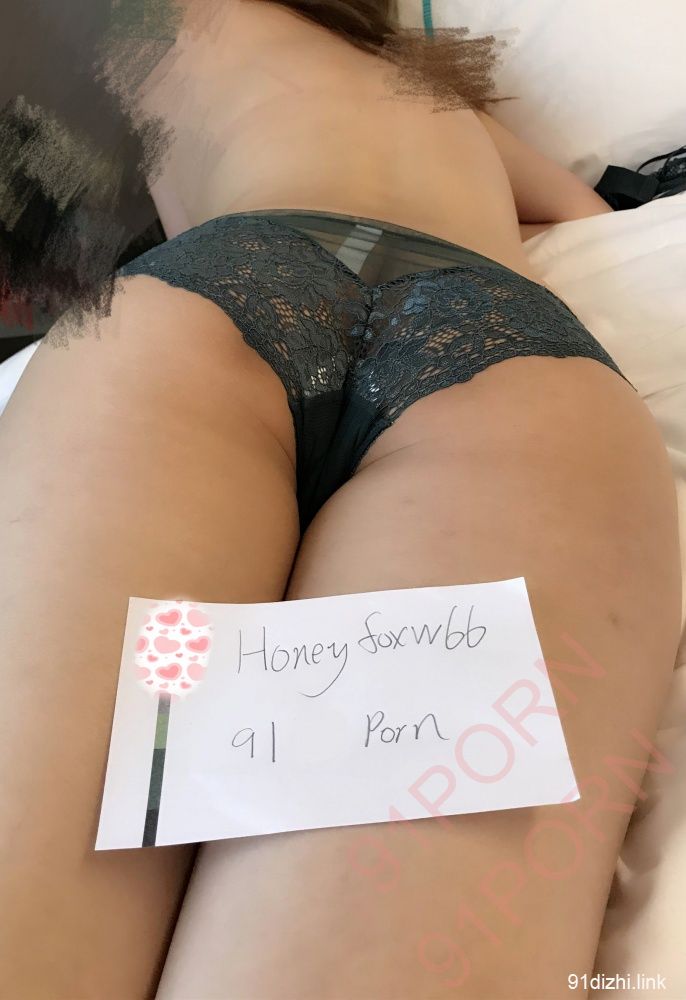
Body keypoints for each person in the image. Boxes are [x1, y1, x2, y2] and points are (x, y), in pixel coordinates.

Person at [0, 2, 680, 998]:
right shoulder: (429, 83)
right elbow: (583, 217)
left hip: (225, 286)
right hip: (504, 342)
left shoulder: (115, 29)